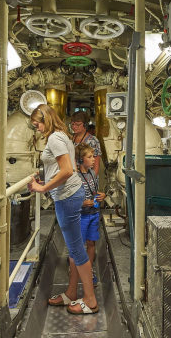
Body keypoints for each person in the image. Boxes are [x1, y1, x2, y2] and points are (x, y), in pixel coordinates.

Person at [27, 104, 99, 315]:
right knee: (73, 248)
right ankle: (70, 293)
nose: (37, 128)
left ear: (45, 120)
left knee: (77, 250)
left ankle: (90, 300)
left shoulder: (54, 138)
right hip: (69, 194)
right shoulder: (62, 135)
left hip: (67, 196)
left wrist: (43, 187)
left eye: (37, 124)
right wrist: (48, 177)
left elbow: (67, 170)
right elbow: (63, 167)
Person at [75, 143, 106, 286]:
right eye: (90, 157)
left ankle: (89, 270)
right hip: (81, 216)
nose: (94, 159)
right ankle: (76, 270)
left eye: (93, 156)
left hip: (94, 214)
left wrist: (101, 195)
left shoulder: (93, 173)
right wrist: (82, 203)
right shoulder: (75, 177)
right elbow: (71, 199)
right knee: (78, 245)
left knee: (91, 243)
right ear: (81, 160)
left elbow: (95, 191)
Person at [70, 111, 102, 175]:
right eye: (72, 124)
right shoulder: (69, 138)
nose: (74, 127)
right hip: (72, 177)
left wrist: (91, 181)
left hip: (87, 177)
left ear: (85, 125)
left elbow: (96, 165)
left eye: (77, 124)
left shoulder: (92, 140)